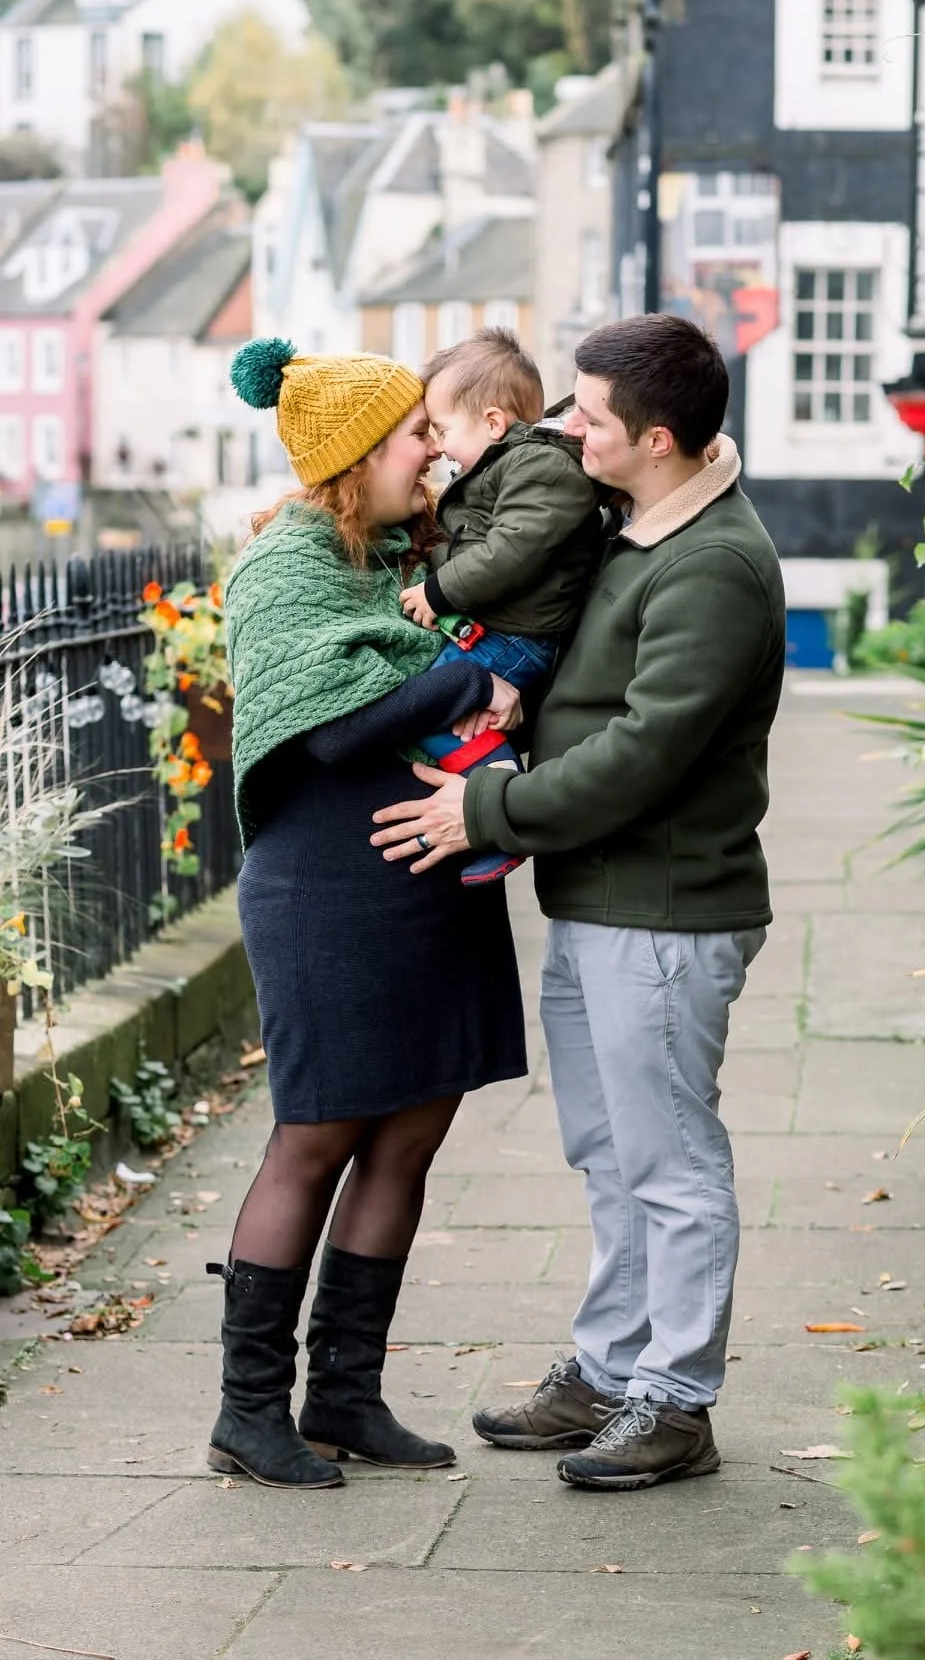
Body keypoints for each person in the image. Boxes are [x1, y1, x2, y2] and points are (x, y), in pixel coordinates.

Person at [372, 313, 786, 1493]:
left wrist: (486, 810)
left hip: (665, 914)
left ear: (655, 438)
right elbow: (597, 696)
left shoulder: (713, 565)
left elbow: (649, 750)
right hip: (604, 898)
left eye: (588, 416)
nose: (564, 427)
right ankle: (609, 1368)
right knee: (611, 1153)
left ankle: (675, 1399)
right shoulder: (639, 522)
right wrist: (514, 716)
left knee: (669, 1159)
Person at [208, 337, 527, 1491]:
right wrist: (466, 679)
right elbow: (335, 724)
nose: (432, 451)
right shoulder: (283, 566)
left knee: (410, 1131)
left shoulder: (399, 553)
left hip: (423, 881)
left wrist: (472, 677)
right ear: (351, 458)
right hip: (324, 892)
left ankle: (344, 1394)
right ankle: (250, 1411)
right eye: (412, 436)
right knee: (317, 1134)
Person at [398, 327, 600, 886]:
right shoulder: (508, 467)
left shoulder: (542, 469)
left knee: (432, 711)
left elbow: (511, 550)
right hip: (500, 630)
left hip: (514, 637)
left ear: (492, 422)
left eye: (442, 430)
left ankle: (497, 795)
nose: (437, 447)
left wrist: (438, 592)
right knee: (451, 715)